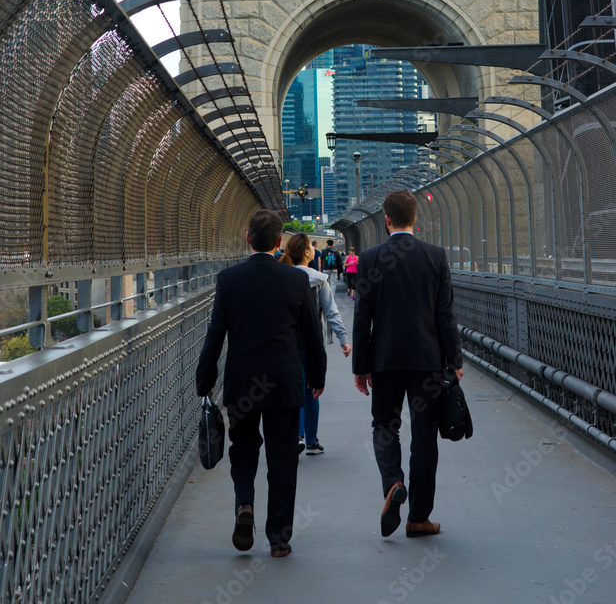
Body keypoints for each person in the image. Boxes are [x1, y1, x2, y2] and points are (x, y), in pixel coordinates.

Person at [196, 210, 326, 557]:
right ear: (279, 242)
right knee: (283, 457)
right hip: (284, 381)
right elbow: (312, 335)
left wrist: (205, 380)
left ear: (249, 239)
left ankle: (244, 505)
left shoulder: (229, 280)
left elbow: (215, 336)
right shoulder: (296, 281)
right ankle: (279, 537)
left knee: (244, 450)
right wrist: (317, 376)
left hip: (243, 382)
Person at [352, 190, 463, 540]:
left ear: (385, 220)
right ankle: (418, 518)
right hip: (428, 362)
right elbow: (445, 315)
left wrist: (360, 365)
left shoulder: (369, 259)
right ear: (416, 219)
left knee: (385, 425)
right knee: (424, 437)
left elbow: (362, 318)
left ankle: (393, 482)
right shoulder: (435, 257)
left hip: (385, 361)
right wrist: (454, 361)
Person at [279, 233, 351, 455]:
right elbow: (331, 312)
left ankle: (297, 435)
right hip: (312, 342)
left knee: (295, 390)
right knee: (312, 389)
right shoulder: (319, 279)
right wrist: (343, 338)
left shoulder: (283, 277)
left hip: (288, 343)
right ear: (308, 252)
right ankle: (311, 440)